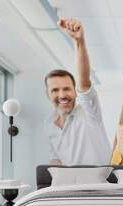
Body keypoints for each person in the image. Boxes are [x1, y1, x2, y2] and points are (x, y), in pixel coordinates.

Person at [45, 18, 111, 165]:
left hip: (100, 186)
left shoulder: (89, 113)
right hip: (70, 186)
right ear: (48, 94)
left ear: (75, 92)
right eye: (55, 90)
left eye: (67, 89)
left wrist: (78, 41)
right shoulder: (49, 126)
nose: (62, 95)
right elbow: (56, 163)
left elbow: (84, 80)